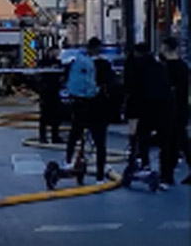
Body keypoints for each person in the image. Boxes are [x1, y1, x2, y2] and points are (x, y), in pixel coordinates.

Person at [124, 42, 175, 190]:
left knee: (142, 136)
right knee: (165, 143)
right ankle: (166, 174)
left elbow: (130, 87)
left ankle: (143, 164)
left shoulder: (135, 65)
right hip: (164, 107)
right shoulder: (159, 66)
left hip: (145, 107)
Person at [64, 37, 114, 183]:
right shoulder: (105, 65)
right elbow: (112, 84)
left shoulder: (76, 62)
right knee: (100, 143)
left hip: (80, 105)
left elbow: (66, 79)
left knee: (74, 134)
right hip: (99, 107)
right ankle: (100, 176)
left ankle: (68, 162)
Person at [160, 36, 191, 184]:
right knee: (181, 140)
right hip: (182, 108)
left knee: (168, 142)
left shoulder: (164, 68)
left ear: (165, 48)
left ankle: (167, 174)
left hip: (168, 109)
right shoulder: (184, 67)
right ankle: (168, 173)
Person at [37, 46, 63, 144]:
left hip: (55, 91)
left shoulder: (58, 63)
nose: (57, 54)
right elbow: (38, 75)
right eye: (55, 52)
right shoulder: (43, 62)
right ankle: (42, 136)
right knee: (44, 115)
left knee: (56, 115)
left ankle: (55, 136)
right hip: (45, 92)